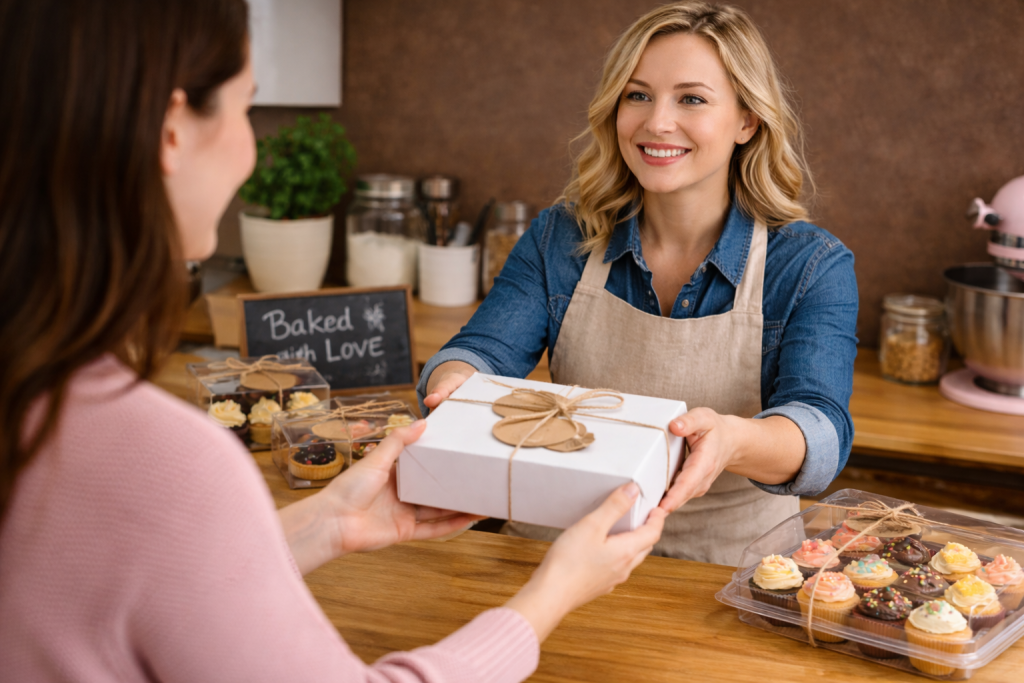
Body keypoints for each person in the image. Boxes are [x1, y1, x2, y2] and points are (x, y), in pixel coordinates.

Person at [0, 1, 667, 681]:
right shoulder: (170, 466)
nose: (250, 148)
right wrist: (550, 595)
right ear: (173, 130)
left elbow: (152, 578)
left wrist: (326, 522)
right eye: (245, 110)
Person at [419, 1, 859, 566]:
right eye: (638, 94)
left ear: (747, 120)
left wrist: (731, 440)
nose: (657, 122)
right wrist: (456, 385)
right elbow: (482, 351)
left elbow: (819, 434)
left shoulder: (809, 266)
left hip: (728, 577)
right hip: (556, 558)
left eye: (692, 99)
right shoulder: (564, 235)